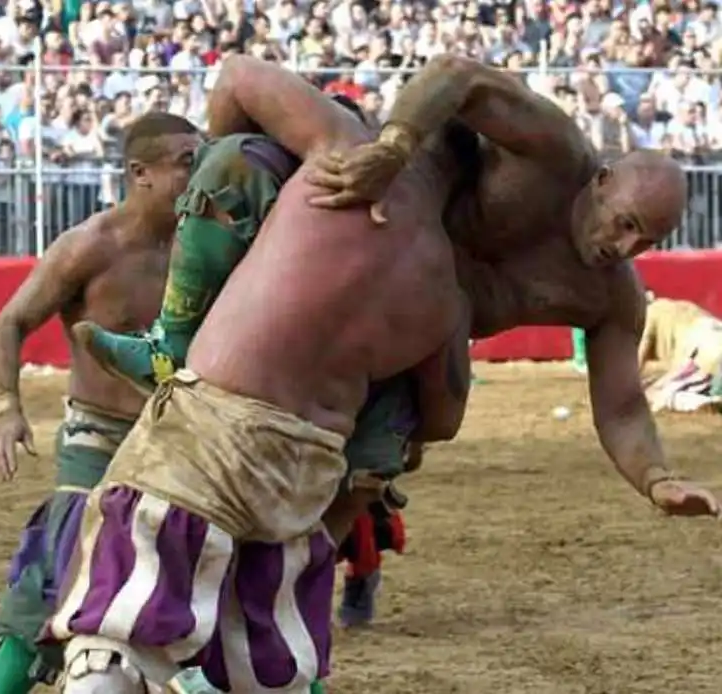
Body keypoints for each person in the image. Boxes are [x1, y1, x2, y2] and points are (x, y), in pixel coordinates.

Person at [40, 56, 469, 694]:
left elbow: (237, 86)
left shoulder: (294, 204)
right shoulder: (435, 273)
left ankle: (171, 347)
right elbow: (442, 418)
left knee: (115, 631)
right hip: (316, 461)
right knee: (290, 592)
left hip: (230, 441)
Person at [304, 55, 720, 518]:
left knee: (437, 419)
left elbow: (621, 408)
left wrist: (656, 478)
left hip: (421, 339)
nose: (626, 247)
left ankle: (366, 534)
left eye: (646, 241)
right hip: (377, 226)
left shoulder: (610, 295)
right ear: (601, 183)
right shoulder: (554, 151)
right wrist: (395, 146)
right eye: (625, 224)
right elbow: (456, 74)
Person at [0, 112, 204, 694]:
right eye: (184, 160)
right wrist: (7, 406)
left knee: (233, 571)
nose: (197, 170)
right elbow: (9, 322)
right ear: (140, 173)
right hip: (98, 437)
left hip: (187, 437)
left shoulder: (209, 244)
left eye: (199, 156)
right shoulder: (89, 246)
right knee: (56, 569)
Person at [638, 291, 722, 413]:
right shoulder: (683, 307)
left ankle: (704, 402)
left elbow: (635, 369)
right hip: (713, 334)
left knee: (655, 394)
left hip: (700, 349)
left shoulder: (649, 313)